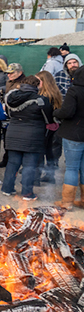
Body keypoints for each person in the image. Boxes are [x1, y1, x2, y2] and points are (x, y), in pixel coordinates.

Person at [1, 76, 53, 201]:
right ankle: (27, 193)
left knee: (12, 163)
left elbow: (8, 114)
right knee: (29, 165)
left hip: (13, 133)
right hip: (33, 135)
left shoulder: (10, 98)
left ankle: (7, 189)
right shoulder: (41, 100)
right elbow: (48, 119)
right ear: (38, 85)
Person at [54, 67, 84, 207]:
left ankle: (67, 202)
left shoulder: (74, 91)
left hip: (74, 134)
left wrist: (56, 112)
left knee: (72, 168)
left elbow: (67, 112)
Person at [36, 70, 63, 184]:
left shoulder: (45, 96)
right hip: (54, 126)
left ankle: (37, 176)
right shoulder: (55, 93)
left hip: (45, 126)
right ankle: (50, 175)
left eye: (38, 81)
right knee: (49, 151)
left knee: (40, 151)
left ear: (43, 82)